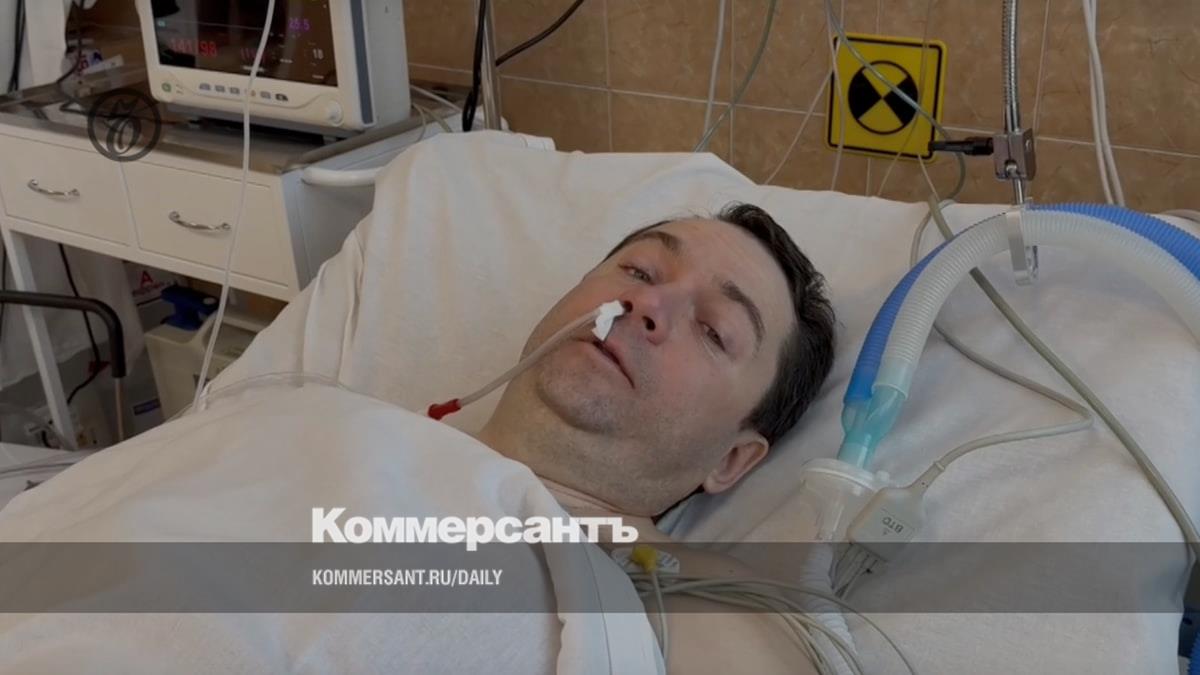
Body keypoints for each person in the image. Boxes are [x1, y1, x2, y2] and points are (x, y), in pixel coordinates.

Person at [477, 203, 837, 673]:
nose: (646, 302)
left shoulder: (698, 612)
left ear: (730, 459)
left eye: (713, 331)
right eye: (639, 272)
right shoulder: (384, 427)